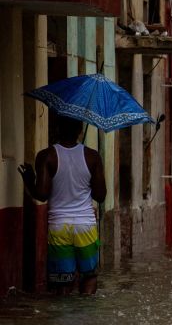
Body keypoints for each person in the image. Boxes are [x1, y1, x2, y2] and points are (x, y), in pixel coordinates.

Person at [18, 113, 106, 295]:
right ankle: (89, 321)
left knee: (62, 284)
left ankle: (62, 322)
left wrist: (29, 180)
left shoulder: (46, 156)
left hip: (59, 227)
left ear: (58, 129)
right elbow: (101, 195)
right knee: (89, 277)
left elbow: (41, 195)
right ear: (80, 131)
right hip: (85, 227)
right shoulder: (92, 156)